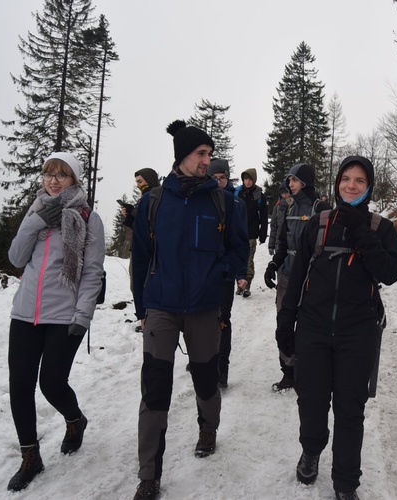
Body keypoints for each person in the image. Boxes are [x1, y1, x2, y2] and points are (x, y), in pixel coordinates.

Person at [130, 120, 249, 500]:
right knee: (154, 389)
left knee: (205, 377)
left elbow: (238, 249)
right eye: (201, 154)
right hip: (161, 307)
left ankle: (208, 426)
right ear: (183, 156)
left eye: (209, 155)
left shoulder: (223, 201)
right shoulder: (152, 203)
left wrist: (219, 275)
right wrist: (141, 307)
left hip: (203, 307)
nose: (207, 162)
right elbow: (141, 258)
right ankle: (149, 475)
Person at [276, 156, 397, 499]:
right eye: (345, 178)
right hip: (314, 329)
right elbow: (297, 274)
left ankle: (346, 483)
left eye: (359, 180)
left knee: (350, 410)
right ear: (337, 183)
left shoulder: (380, 228)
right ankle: (312, 448)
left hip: (357, 333)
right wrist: (285, 322)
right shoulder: (318, 224)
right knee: (312, 401)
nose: (351, 185)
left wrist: (362, 233)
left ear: (369, 186)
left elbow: (390, 272)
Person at [6, 152, 106, 492]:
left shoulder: (88, 218)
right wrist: (36, 222)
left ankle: (75, 420)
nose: (53, 180)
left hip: (64, 316)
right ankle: (30, 457)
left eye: (62, 175)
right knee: (20, 385)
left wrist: (83, 315)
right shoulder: (36, 211)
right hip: (24, 314)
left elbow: (92, 272)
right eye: (49, 173)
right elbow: (16, 257)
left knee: (51, 383)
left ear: (74, 180)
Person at [263, 163, 329, 391]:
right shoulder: (289, 209)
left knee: (310, 329)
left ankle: (309, 372)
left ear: (305, 181)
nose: (289, 184)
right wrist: (273, 264)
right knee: (283, 327)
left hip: (312, 281)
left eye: (293, 179)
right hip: (287, 277)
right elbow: (283, 242)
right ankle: (288, 372)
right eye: (288, 179)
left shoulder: (320, 208)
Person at [208, 157, 248, 388]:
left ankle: (221, 370)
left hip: (224, 273)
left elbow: (240, 242)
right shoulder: (202, 201)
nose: (219, 181)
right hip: (203, 274)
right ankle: (202, 360)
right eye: (214, 178)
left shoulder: (236, 204)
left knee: (223, 319)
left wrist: (240, 273)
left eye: (222, 177)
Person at [120, 168, 160, 331]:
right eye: (137, 182)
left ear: (149, 180)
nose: (138, 185)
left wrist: (133, 213)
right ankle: (144, 316)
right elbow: (139, 226)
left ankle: (148, 317)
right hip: (139, 248)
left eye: (140, 181)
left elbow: (150, 224)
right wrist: (130, 215)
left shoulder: (155, 198)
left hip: (150, 251)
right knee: (136, 283)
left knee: (142, 283)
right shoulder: (145, 198)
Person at [234, 167, 268, 297]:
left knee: (248, 260)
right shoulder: (237, 193)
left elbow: (263, 216)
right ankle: (239, 284)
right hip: (237, 232)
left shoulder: (259, 195)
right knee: (237, 259)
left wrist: (262, 234)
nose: (247, 182)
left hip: (251, 233)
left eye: (250, 179)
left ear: (254, 180)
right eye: (245, 179)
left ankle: (247, 285)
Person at [267, 180, 291, 256]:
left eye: (286, 193)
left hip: (292, 243)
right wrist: (271, 245)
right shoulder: (277, 207)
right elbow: (273, 226)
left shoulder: (295, 207)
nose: (285, 195)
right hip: (279, 243)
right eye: (282, 193)